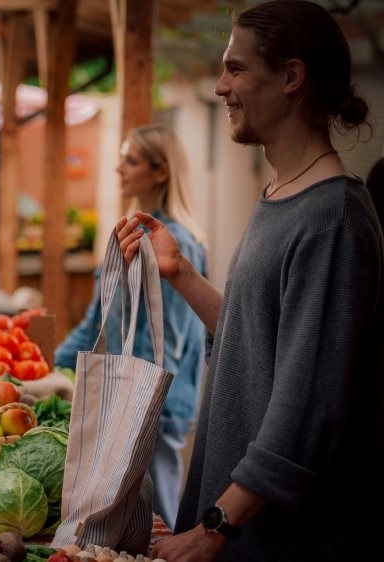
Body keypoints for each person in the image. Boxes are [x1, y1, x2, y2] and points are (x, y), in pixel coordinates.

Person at [117, 2, 384, 560]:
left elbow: (307, 406)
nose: (219, 87)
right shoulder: (281, 197)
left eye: (235, 69)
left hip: (281, 541)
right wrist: (181, 274)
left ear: (290, 76)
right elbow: (258, 344)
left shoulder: (332, 218)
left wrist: (215, 528)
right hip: (244, 531)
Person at [54, 124, 207, 529]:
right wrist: (53, 366)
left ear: (161, 171)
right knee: (129, 524)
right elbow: (97, 320)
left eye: (131, 160)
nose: (119, 167)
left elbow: (169, 341)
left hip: (150, 405)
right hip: (124, 400)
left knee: (159, 523)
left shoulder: (175, 242)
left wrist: (140, 407)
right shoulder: (131, 231)